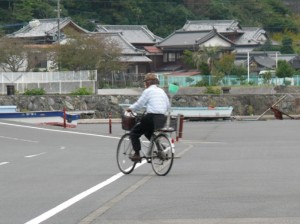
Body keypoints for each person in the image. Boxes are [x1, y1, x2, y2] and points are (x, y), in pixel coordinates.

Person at [126, 73, 170, 161]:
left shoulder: (148, 91)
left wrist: (130, 109)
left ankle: (137, 154)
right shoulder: (161, 91)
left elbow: (139, 104)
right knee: (148, 132)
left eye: (145, 82)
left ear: (148, 83)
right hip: (162, 118)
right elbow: (168, 106)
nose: (145, 84)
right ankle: (160, 147)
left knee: (134, 133)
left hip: (151, 117)